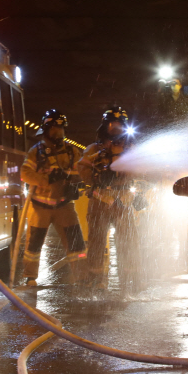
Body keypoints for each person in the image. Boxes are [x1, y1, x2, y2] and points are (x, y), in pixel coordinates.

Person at [21, 109, 86, 286]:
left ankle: (81, 276)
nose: (58, 132)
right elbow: (25, 173)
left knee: (76, 244)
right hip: (39, 206)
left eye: (61, 129)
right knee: (33, 244)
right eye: (54, 129)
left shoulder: (73, 152)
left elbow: (79, 173)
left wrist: (74, 184)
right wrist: (46, 179)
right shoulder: (37, 152)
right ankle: (30, 277)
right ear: (46, 129)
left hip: (64, 205)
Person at [78, 107, 139, 291]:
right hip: (99, 201)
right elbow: (82, 169)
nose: (117, 129)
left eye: (120, 126)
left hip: (123, 201)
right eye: (113, 125)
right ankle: (96, 279)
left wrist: (122, 175)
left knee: (128, 241)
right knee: (96, 242)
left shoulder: (131, 149)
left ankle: (129, 278)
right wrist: (96, 176)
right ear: (106, 126)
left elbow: (139, 169)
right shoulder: (94, 149)